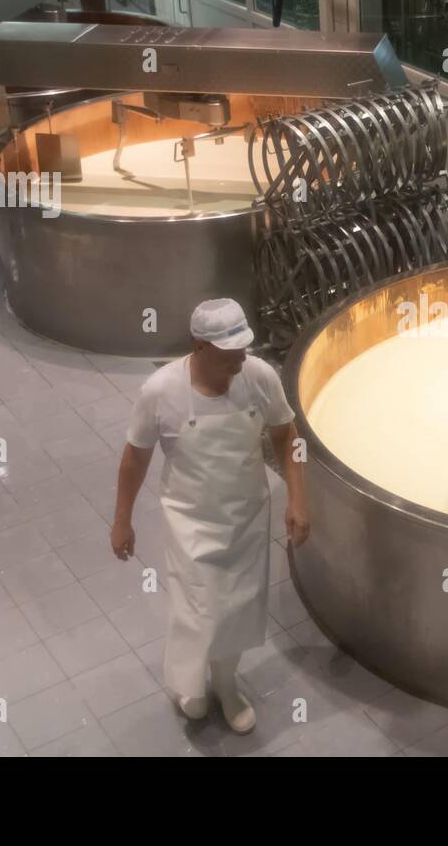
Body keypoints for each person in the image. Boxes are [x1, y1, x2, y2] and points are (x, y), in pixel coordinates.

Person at [110, 298, 309, 734]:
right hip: (190, 521)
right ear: (198, 346)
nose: (239, 362)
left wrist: (297, 499)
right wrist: (122, 519)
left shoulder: (258, 376)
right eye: (228, 355)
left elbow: (286, 436)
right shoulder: (161, 392)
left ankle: (225, 682)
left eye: (242, 351)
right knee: (198, 609)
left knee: (237, 608)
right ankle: (190, 685)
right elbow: (134, 460)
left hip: (246, 516)